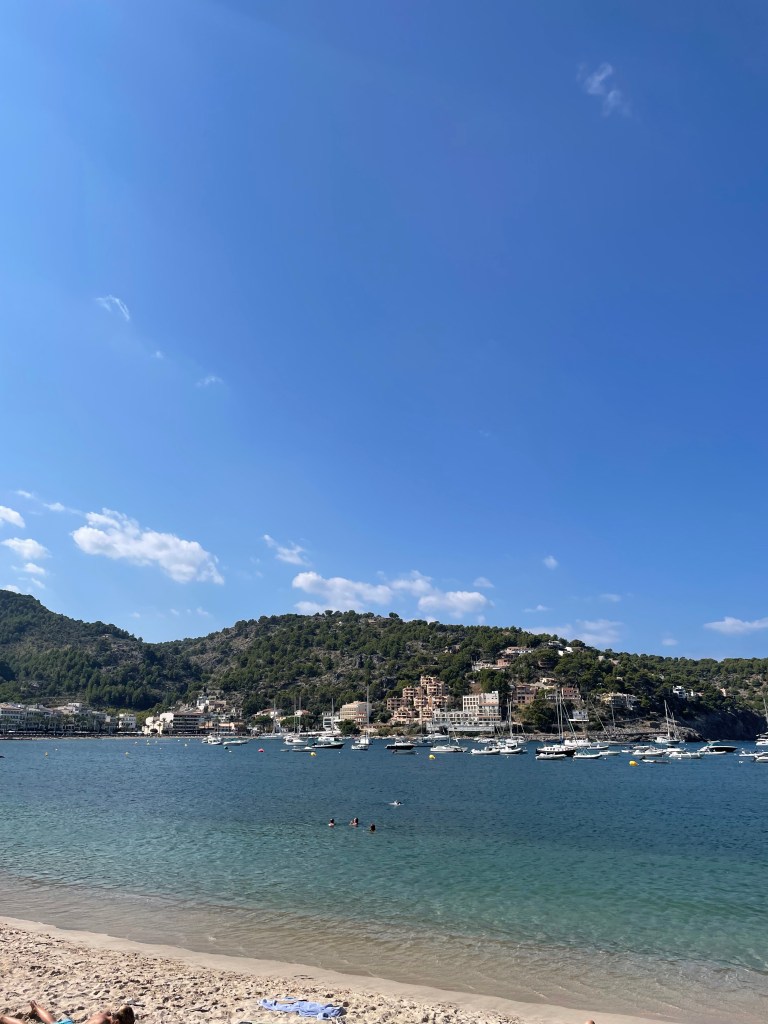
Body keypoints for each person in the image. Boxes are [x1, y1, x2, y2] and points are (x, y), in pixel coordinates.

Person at [1, 1002, 134, 1024]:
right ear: (117, 1022)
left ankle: (35, 1006)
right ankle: (2, 1018)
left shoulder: (107, 1013)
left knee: (53, 1022)